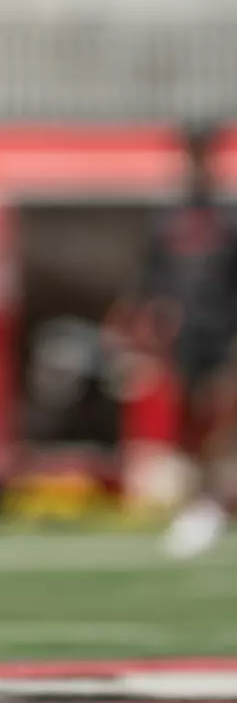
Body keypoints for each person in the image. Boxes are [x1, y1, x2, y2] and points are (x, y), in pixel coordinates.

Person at [110, 123, 237, 558]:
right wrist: (135, 320)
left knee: (221, 414)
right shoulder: (168, 217)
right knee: (189, 422)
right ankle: (200, 502)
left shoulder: (229, 214)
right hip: (184, 333)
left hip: (226, 329)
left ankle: (213, 503)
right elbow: (149, 276)